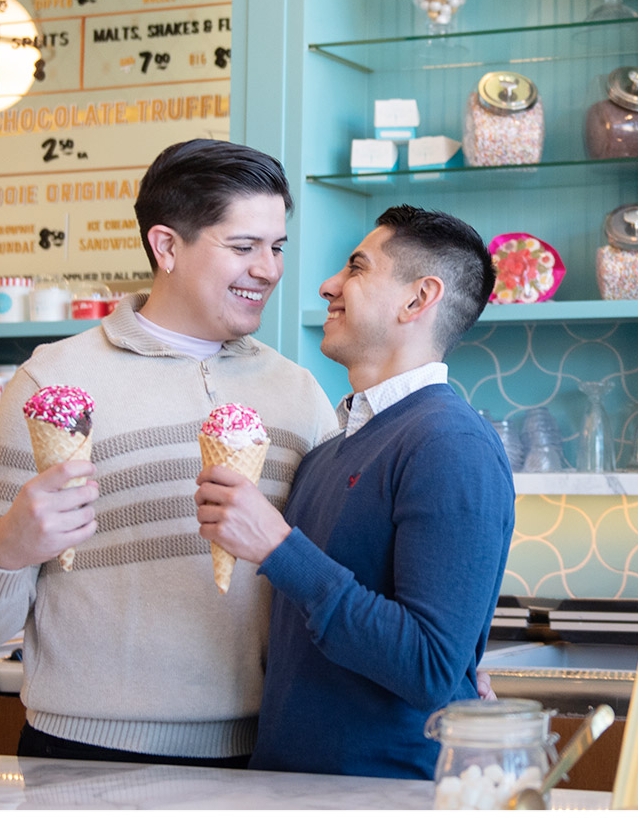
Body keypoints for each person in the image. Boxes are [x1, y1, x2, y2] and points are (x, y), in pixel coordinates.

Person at [0, 139, 337, 767]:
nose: (270, 269)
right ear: (167, 246)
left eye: (277, 247)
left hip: (267, 754)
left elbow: (340, 574)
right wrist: (9, 546)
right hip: (84, 757)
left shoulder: (300, 394)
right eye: (243, 247)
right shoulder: (52, 384)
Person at [194, 204, 515, 779]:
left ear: (418, 299)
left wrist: (277, 548)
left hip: (387, 805)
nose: (327, 285)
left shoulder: (451, 444)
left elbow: (430, 669)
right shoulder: (327, 452)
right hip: (289, 791)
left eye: (357, 269)